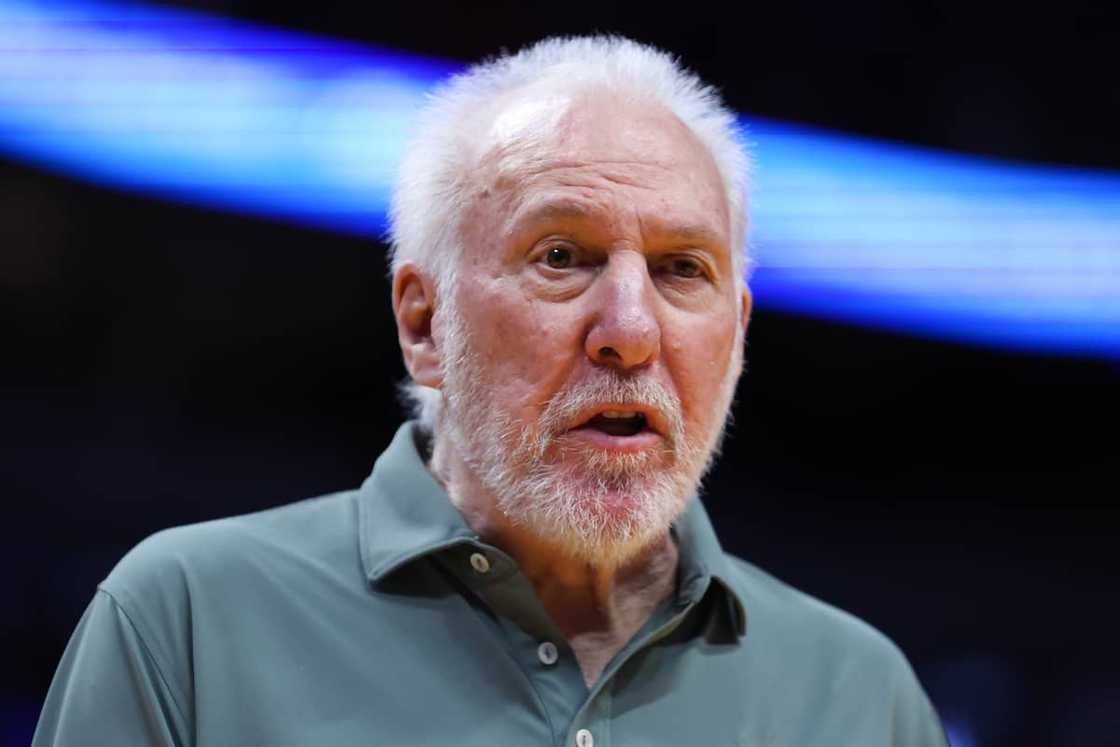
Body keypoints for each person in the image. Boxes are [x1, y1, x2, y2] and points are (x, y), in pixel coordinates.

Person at [34, 36, 948, 746]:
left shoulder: (864, 697)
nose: (630, 328)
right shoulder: (185, 622)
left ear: (739, 334)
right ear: (425, 324)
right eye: (561, 256)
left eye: (681, 268)